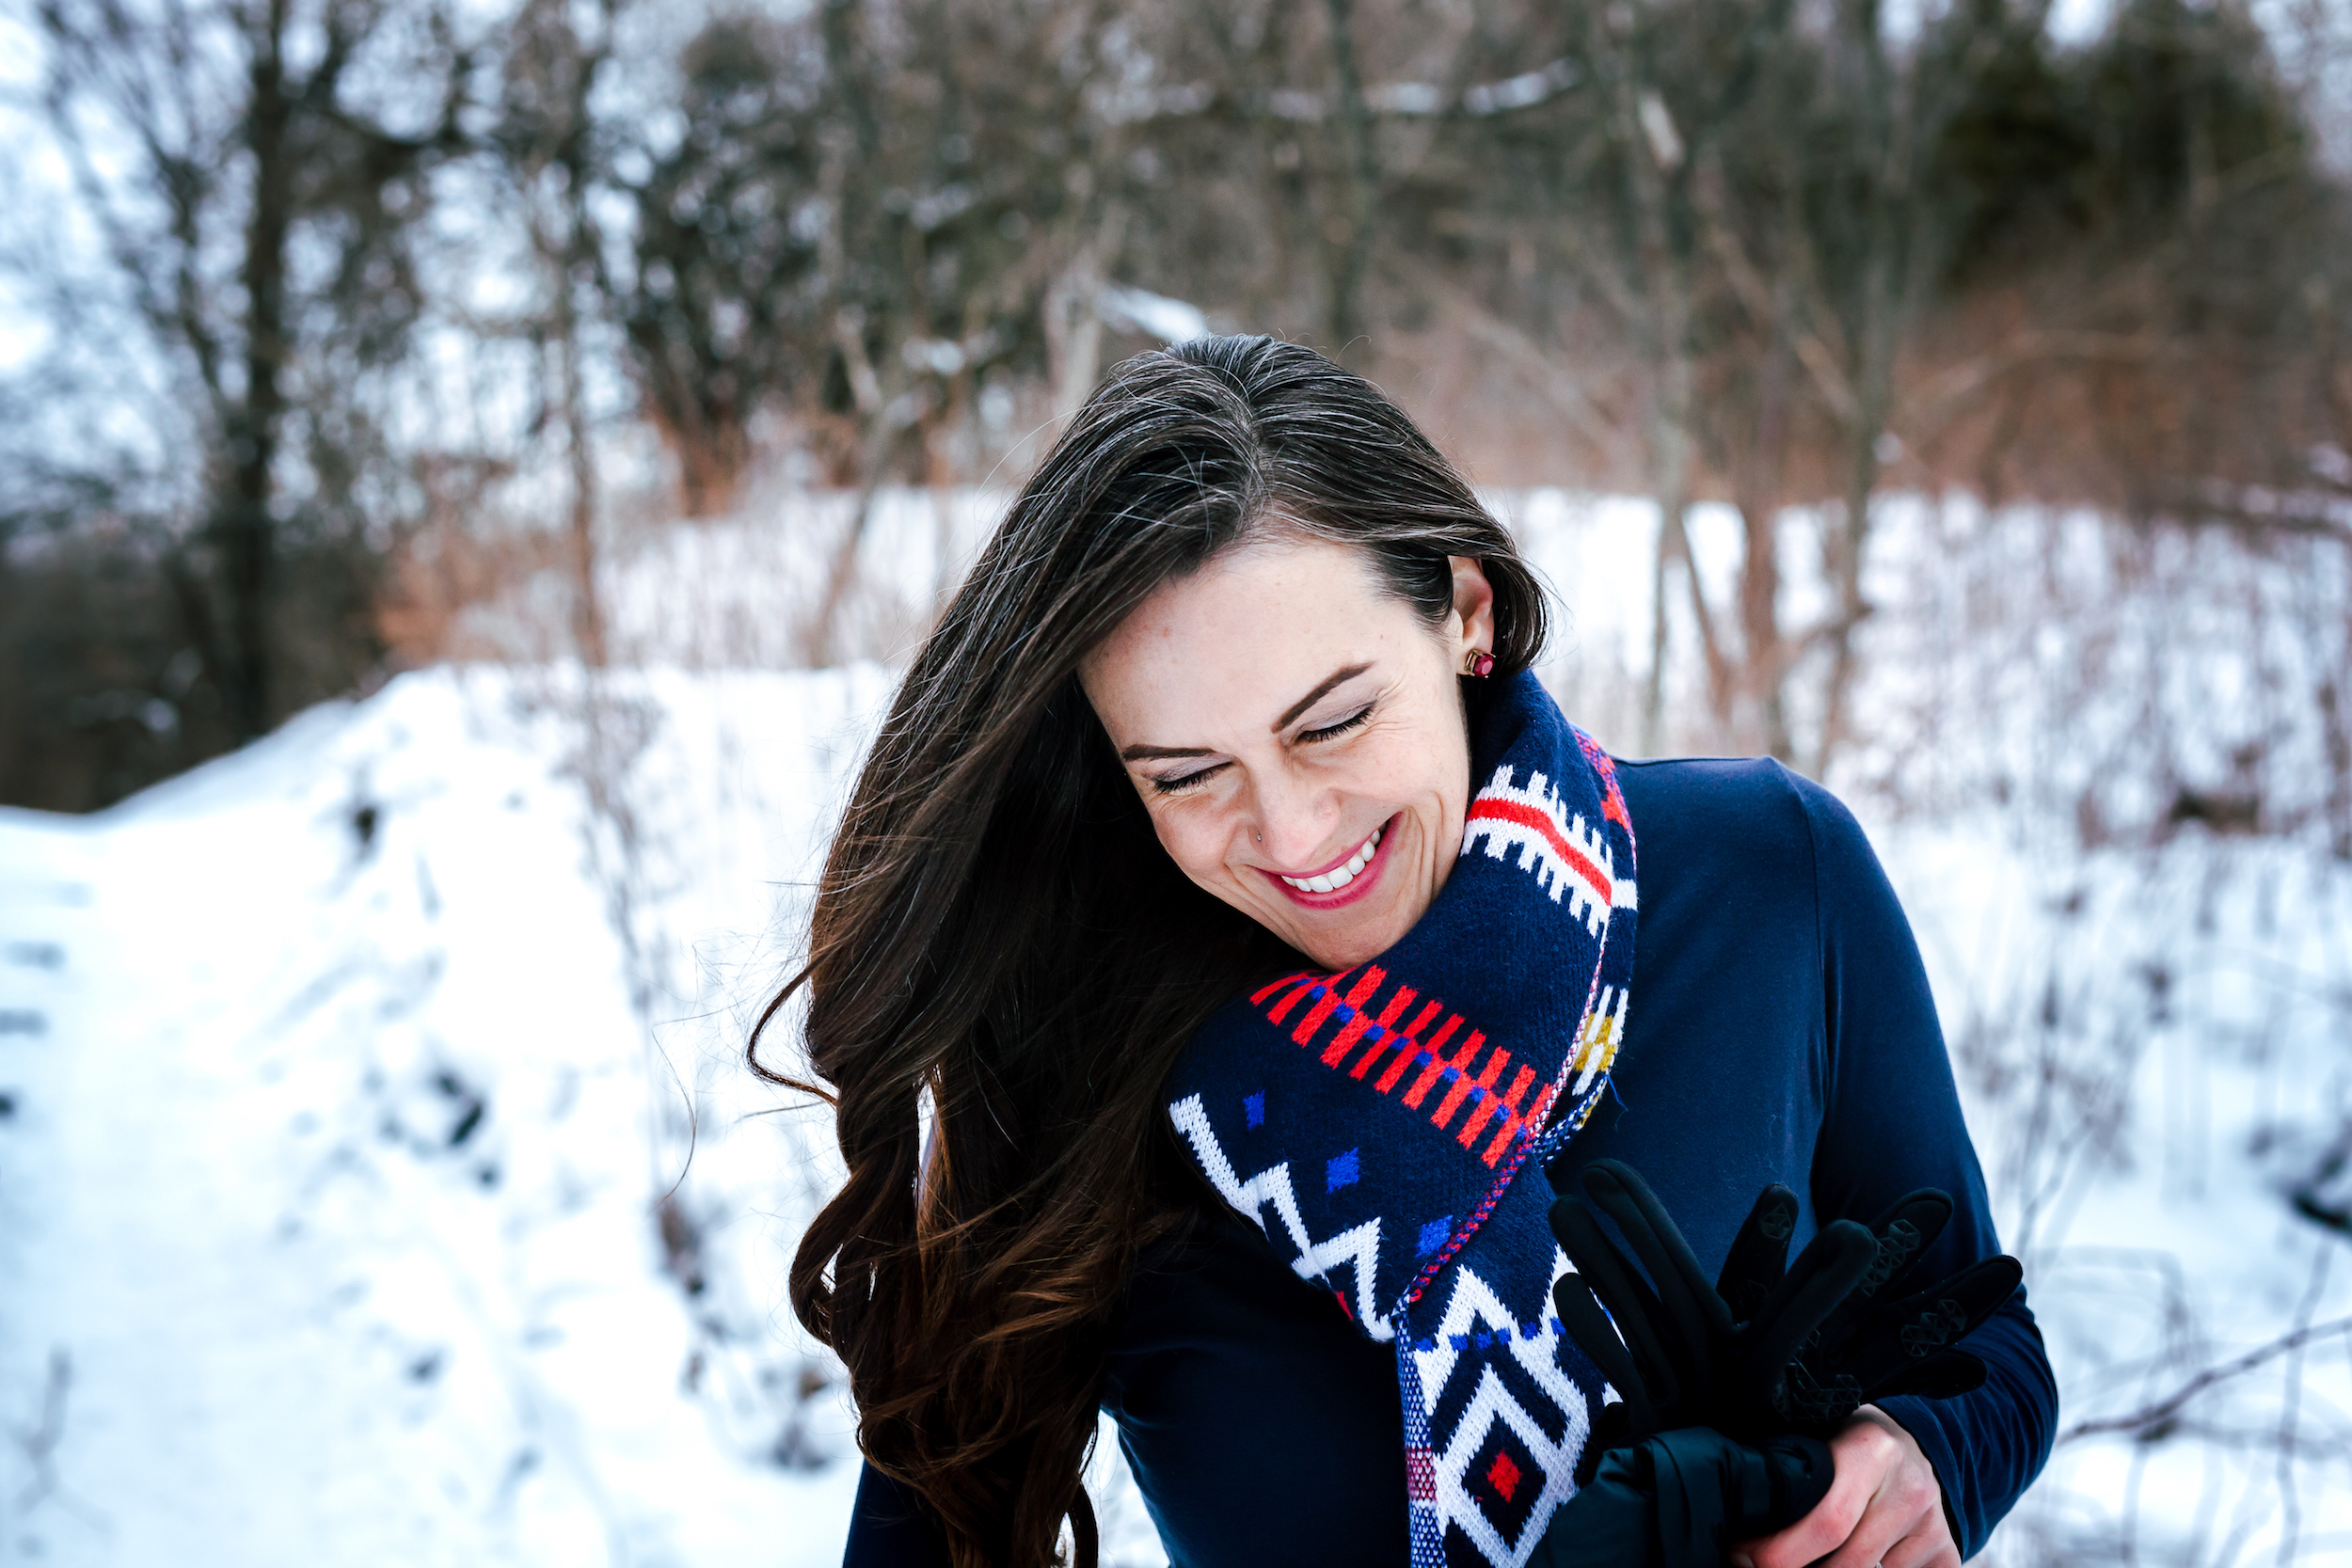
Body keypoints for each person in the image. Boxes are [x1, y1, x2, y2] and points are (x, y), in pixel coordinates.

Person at [755, 336, 2057, 1568]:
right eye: (1189, 775)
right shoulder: (1090, 1054)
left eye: (1331, 722)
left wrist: (1917, 1460)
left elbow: (1984, 1334)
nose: (1291, 829)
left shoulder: (1769, 878)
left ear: (1465, 610)